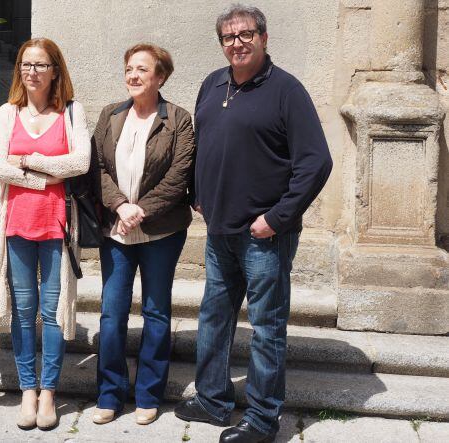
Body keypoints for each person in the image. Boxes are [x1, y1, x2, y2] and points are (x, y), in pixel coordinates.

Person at [173, 5, 333, 443]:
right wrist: (198, 196)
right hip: (220, 231)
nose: (237, 43)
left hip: (264, 235)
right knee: (214, 317)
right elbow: (202, 146)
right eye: (229, 37)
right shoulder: (212, 83)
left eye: (246, 34)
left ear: (264, 37)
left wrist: (278, 218)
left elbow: (316, 162)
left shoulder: (286, 90)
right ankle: (212, 400)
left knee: (266, 328)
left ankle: (263, 420)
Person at [0, 37, 90, 431]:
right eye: (26, 64)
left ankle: (49, 391)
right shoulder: (7, 113)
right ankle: (27, 390)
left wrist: (29, 162)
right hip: (17, 223)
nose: (32, 71)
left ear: (55, 70)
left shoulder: (71, 112)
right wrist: (48, 175)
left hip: (57, 225)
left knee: (51, 311)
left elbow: (80, 161)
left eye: (41, 65)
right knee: (24, 311)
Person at [90, 43, 194, 426]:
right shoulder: (110, 115)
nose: (133, 75)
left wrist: (142, 210)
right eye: (129, 68)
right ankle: (110, 393)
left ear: (160, 77)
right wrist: (120, 205)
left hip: (161, 232)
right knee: (111, 314)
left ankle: (149, 394)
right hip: (116, 230)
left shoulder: (178, 120)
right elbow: (95, 167)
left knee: (155, 312)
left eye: (142, 70)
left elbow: (179, 176)